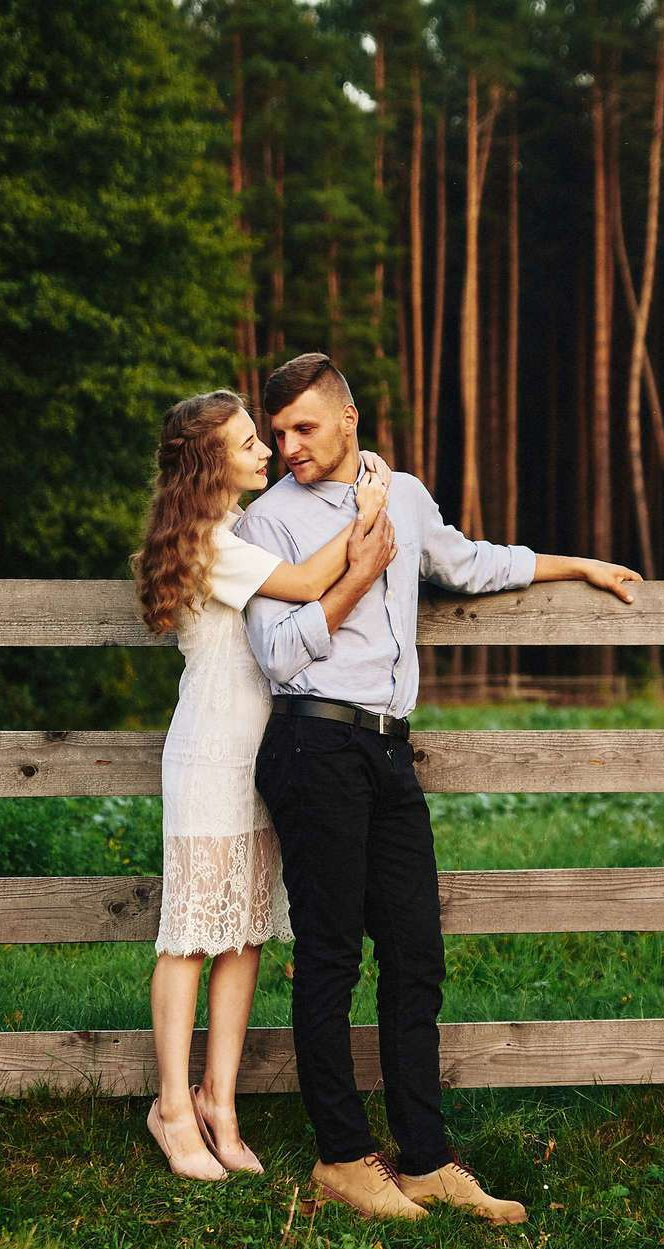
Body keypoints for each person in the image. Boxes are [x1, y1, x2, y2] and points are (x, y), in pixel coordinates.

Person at [237, 352, 641, 1223]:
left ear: (349, 419)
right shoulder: (265, 522)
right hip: (314, 745)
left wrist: (581, 566)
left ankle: (425, 1158)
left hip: (388, 754)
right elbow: (277, 655)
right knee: (332, 958)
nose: (289, 446)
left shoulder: (406, 494)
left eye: (304, 427)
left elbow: (473, 564)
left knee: (417, 955)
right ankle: (343, 1157)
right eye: (277, 433)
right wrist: (356, 568)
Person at [131, 388, 397, 1181]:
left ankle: (222, 1101)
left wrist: (357, 488)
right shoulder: (214, 541)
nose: (266, 451)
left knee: (243, 935)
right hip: (211, 757)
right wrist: (369, 504)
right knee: (189, 938)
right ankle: (172, 1108)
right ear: (212, 458)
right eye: (250, 441)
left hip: (264, 760)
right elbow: (314, 578)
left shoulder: (234, 531)